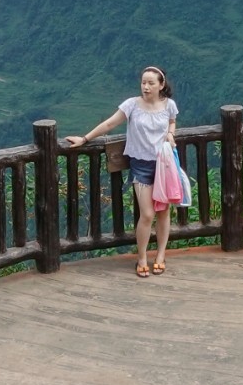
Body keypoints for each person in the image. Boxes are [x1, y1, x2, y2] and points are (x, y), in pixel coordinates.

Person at [65, 67, 180, 277]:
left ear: (161, 85)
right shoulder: (131, 105)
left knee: (164, 212)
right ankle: (142, 257)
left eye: (151, 83)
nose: (145, 87)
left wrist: (171, 134)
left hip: (164, 165)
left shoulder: (169, 106)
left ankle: (161, 255)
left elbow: (172, 122)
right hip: (141, 165)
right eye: (143, 82)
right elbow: (110, 123)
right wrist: (85, 139)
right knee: (147, 214)